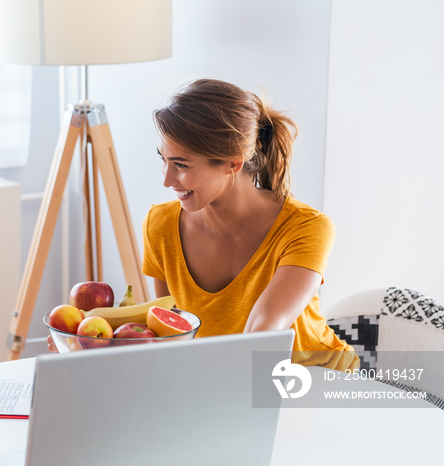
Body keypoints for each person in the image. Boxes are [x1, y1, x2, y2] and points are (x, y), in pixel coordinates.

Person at [144, 78, 357, 370]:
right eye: (164, 161)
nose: (167, 181)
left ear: (233, 163)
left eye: (181, 165)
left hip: (313, 378)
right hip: (226, 384)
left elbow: (265, 328)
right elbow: (173, 328)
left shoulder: (306, 227)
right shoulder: (160, 224)